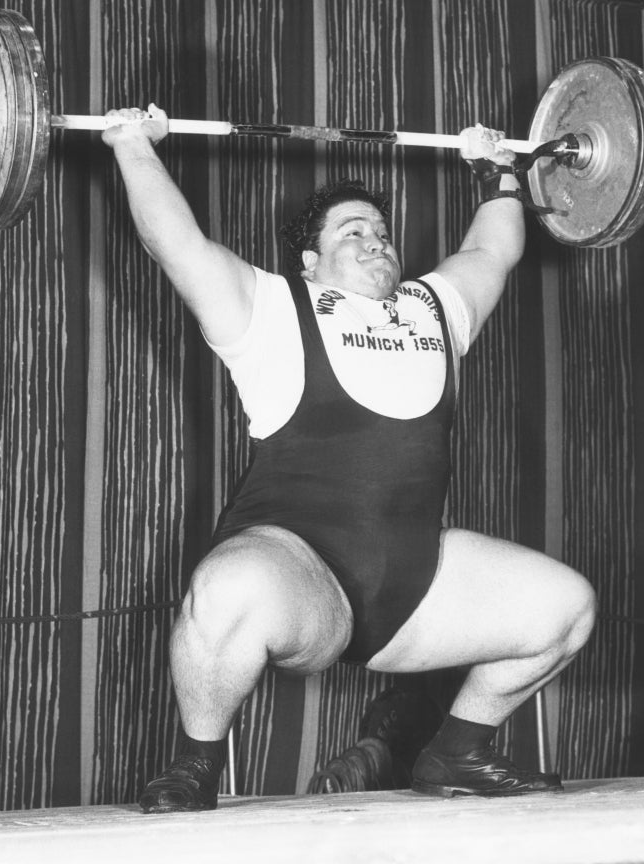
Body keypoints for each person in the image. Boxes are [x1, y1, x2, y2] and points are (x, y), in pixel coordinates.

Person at [102, 103, 597, 813]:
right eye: (353, 231)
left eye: (383, 232)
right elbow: (175, 244)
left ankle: (458, 749)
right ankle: (194, 766)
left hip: (415, 585)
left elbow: (495, 251)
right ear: (310, 262)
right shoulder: (269, 310)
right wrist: (132, 145)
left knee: (566, 608)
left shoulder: (433, 309)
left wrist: (501, 173)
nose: (376, 242)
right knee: (227, 591)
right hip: (300, 574)